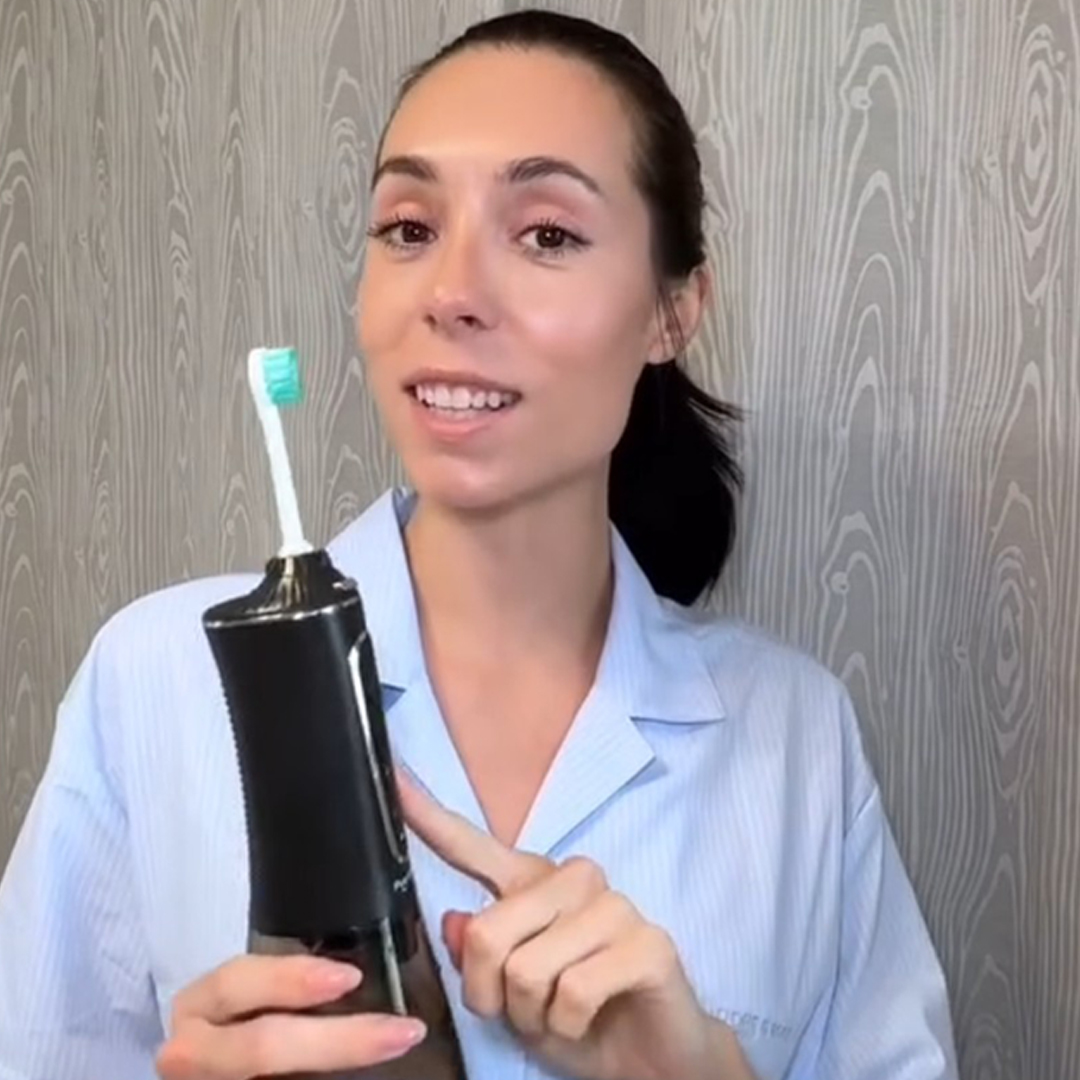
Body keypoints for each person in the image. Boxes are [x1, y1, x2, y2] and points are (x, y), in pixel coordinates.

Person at [0, 9, 959, 1080]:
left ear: (672, 311)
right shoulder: (161, 678)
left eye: (546, 234)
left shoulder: (796, 742)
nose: (450, 293)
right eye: (408, 229)